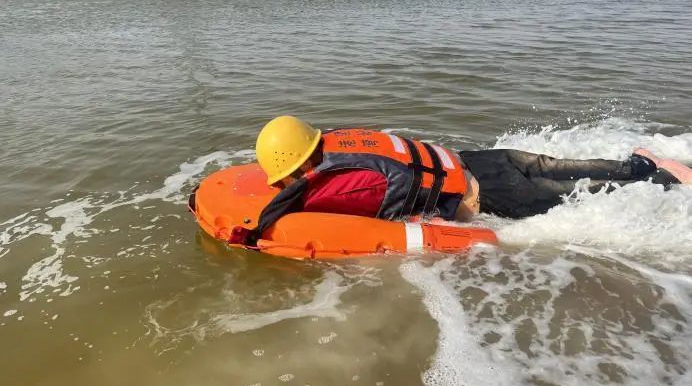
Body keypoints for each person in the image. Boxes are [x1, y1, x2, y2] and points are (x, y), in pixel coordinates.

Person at [251, 116, 691, 232]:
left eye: (286, 175)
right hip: (477, 159)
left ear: (300, 164)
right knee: (555, 166)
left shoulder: (338, 184)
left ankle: (665, 182)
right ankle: (640, 163)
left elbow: (388, 196)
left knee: (570, 196)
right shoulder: (338, 139)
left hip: (484, 191)